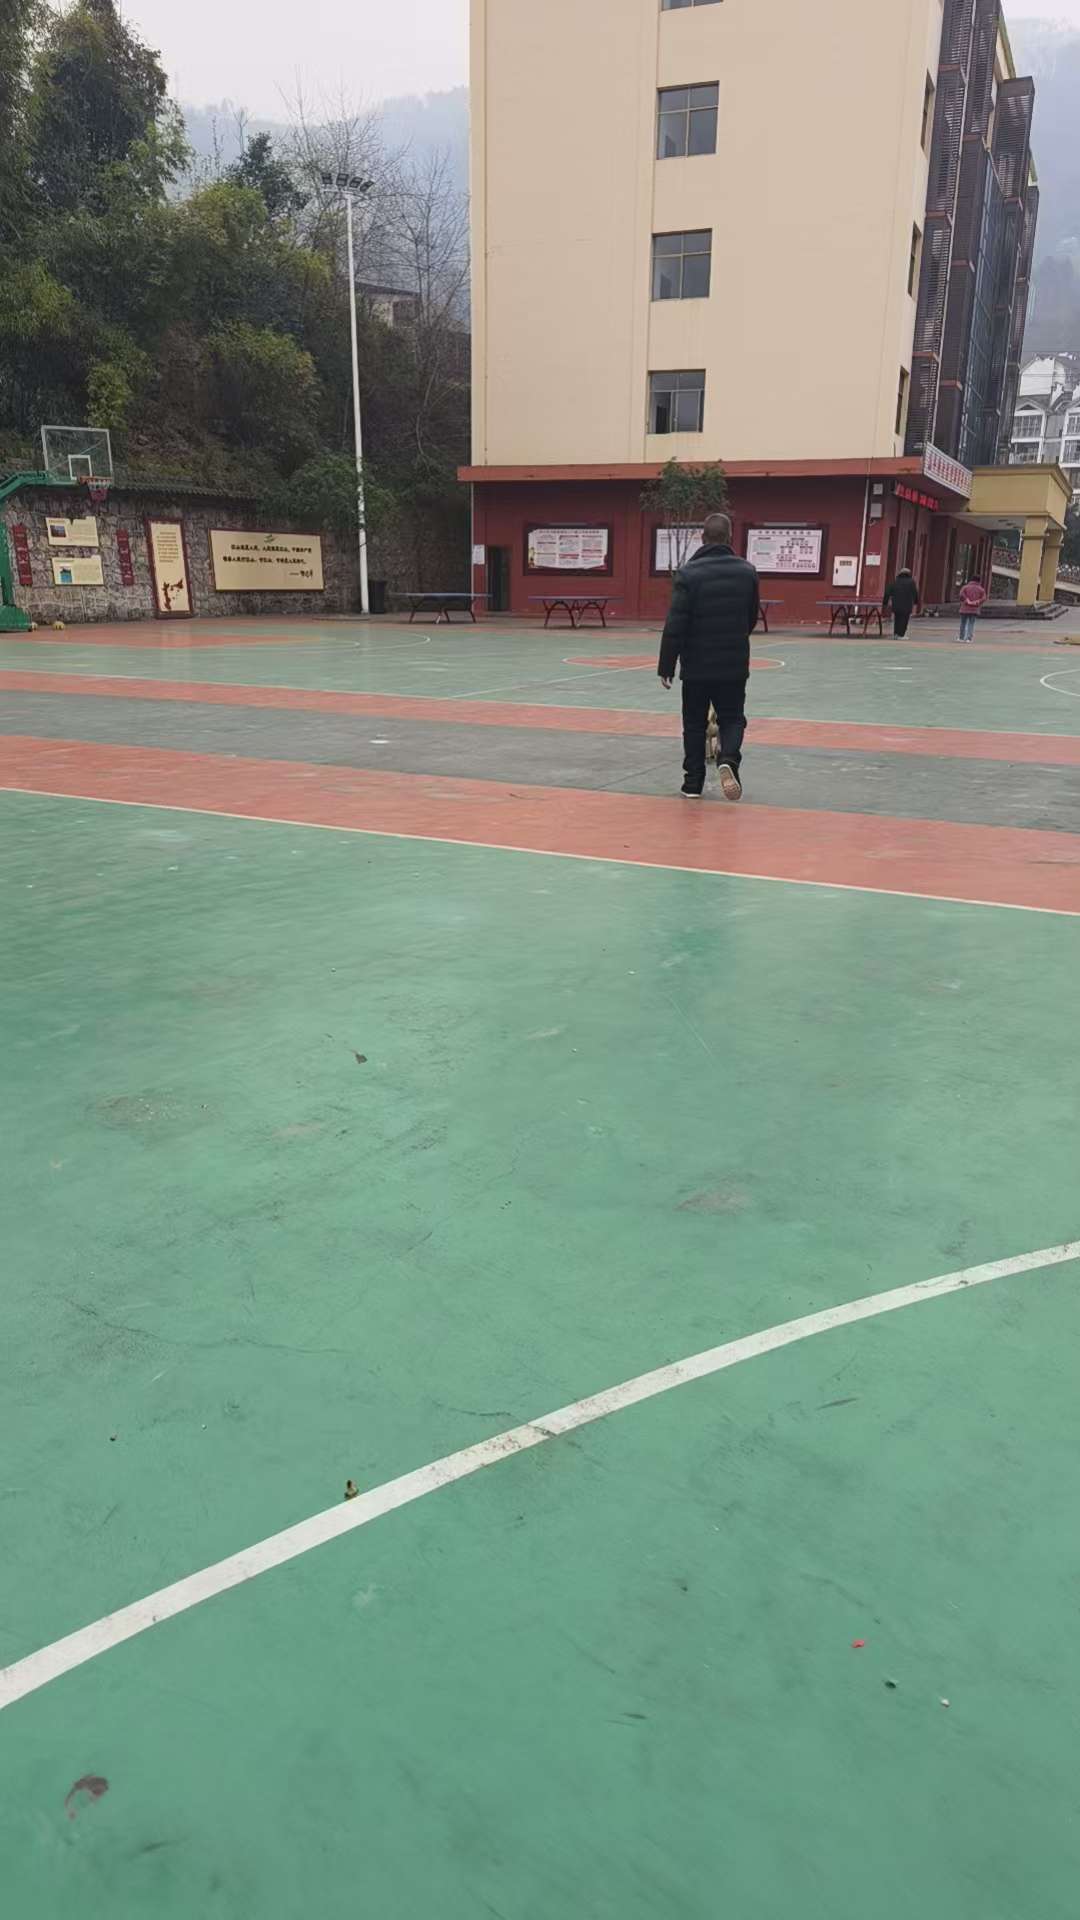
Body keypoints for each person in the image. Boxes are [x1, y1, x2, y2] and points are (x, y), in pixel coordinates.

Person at [658, 511, 760, 800]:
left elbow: (675, 623)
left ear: (702, 538)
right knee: (732, 718)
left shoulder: (688, 574)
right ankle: (728, 759)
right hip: (733, 663)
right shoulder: (747, 572)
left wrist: (666, 665)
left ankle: (692, 783)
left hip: (696, 665)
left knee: (693, 723)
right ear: (730, 537)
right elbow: (751, 617)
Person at [883, 566, 920, 637]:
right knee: (904, 620)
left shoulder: (895, 581)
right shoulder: (911, 582)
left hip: (896, 604)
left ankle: (896, 634)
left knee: (897, 619)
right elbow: (914, 592)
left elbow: (887, 592)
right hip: (907, 605)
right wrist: (916, 601)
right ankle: (901, 634)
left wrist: (885, 602)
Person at [958, 574, 987, 642]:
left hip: (964, 608)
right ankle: (969, 638)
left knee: (963, 623)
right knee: (971, 623)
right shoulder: (981, 589)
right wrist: (977, 602)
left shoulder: (965, 587)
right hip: (974, 609)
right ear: (979, 581)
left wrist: (966, 600)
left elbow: (961, 595)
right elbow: (984, 598)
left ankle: (961, 637)